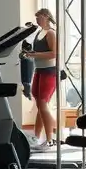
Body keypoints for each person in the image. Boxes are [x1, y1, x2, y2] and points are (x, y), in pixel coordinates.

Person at [22, 9, 58, 148]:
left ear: (46, 17)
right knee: (39, 105)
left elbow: (54, 53)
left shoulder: (51, 33)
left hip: (49, 71)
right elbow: (39, 52)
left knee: (43, 105)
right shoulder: (39, 33)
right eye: (36, 17)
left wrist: (34, 55)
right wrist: (31, 53)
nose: (37, 20)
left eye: (39, 17)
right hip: (39, 70)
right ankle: (36, 137)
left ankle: (49, 140)